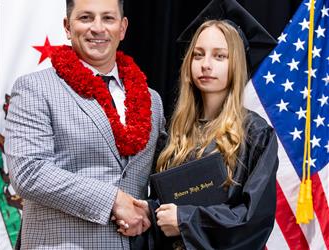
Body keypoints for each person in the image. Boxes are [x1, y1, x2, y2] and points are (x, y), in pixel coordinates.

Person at [117, 0, 279, 249]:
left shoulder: (255, 134)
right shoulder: (176, 132)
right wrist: (150, 210)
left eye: (220, 56)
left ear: (236, 63)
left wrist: (185, 219)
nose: (206, 64)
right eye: (198, 54)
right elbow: (172, 201)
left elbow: (253, 219)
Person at [4, 0, 166, 249]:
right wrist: (113, 200)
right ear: (68, 27)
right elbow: (29, 172)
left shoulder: (152, 99)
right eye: (86, 18)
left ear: (122, 28)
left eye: (108, 19)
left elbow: (163, 170)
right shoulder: (35, 88)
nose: (98, 28)